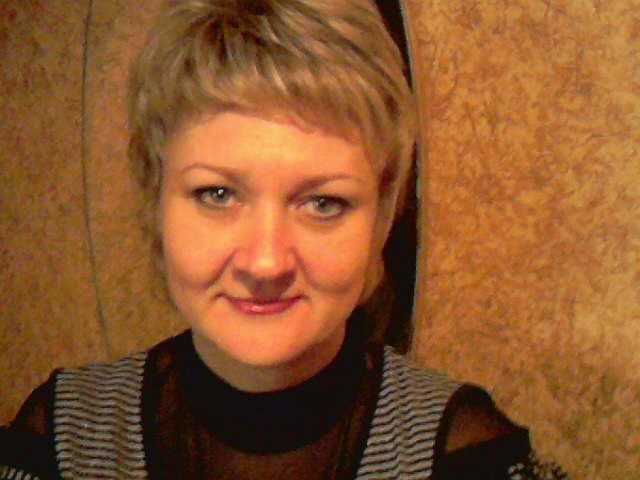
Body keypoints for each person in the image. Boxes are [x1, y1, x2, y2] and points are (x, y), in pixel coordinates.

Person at [1, 1, 569, 478]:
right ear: (157, 199)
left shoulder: (465, 455)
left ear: (381, 215)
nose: (267, 262)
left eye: (323, 203)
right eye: (218, 194)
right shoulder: (62, 441)